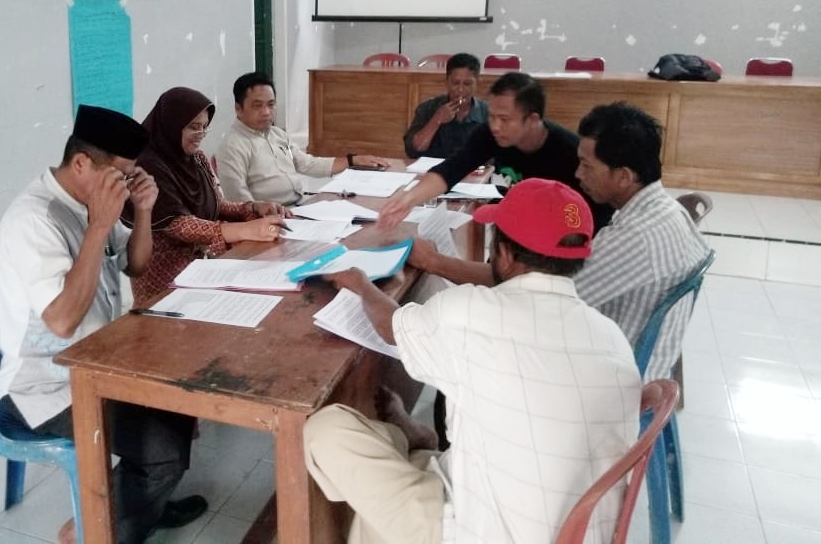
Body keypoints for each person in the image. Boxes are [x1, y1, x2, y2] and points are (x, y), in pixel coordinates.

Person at [304, 178, 642, 544]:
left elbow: (390, 326)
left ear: (504, 253)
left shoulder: (471, 311)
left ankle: (402, 440)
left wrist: (360, 283)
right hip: (581, 532)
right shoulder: (612, 338)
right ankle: (412, 441)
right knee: (384, 511)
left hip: (483, 532)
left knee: (325, 429)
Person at [0, 104, 207, 544]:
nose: (125, 186)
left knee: (180, 401)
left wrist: (142, 210)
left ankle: (141, 501)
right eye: (120, 176)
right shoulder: (36, 219)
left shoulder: (90, 200)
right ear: (81, 164)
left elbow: (137, 264)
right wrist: (99, 226)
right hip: (43, 388)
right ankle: (97, 530)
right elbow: (62, 320)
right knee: (163, 450)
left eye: (130, 176)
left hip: (96, 362)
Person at [573, 102, 711, 380]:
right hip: (646, 356)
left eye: (587, 166)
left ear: (624, 176)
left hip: (619, 375)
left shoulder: (636, 235)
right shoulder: (666, 209)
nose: (578, 174)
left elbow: (555, 298)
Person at [378, 71, 612, 231]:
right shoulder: (489, 134)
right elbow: (451, 169)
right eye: (491, 116)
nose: (495, 126)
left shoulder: (570, 153)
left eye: (504, 119)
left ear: (532, 120)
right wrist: (409, 199)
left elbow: (591, 216)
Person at [132, 86, 289, 304]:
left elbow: (215, 204)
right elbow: (177, 225)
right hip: (162, 283)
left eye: (204, 127)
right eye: (193, 127)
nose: (200, 135)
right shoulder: (147, 166)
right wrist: (245, 229)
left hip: (203, 272)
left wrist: (252, 208)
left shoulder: (196, 158)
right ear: (171, 124)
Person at [215, 71, 389, 205]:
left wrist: (352, 160)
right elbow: (239, 201)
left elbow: (307, 164)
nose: (266, 112)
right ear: (238, 109)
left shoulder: (277, 134)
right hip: (270, 220)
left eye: (271, 104)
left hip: (299, 207)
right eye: (257, 105)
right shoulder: (233, 146)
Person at [403, 52, 487, 158]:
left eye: (467, 84)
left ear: (477, 83)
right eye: (455, 83)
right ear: (446, 82)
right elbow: (414, 150)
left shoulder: (488, 113)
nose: (460, 89)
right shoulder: (427, 108)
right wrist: (436, 120)